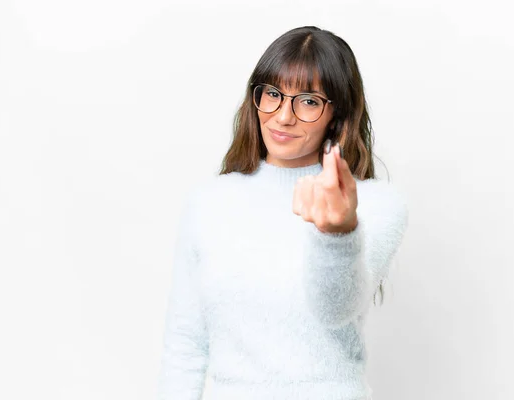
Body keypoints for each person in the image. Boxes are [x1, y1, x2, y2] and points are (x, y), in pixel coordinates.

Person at [157, 26, 409, 400]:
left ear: (336, 112)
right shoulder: (209, 204)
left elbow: (335, 310)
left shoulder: (377, 205)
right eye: (273, 94)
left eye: (307, 100)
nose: (283, 116)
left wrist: (338, 235)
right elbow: (186, 343)